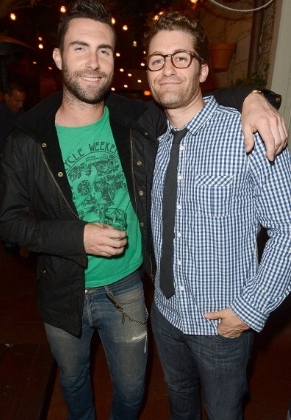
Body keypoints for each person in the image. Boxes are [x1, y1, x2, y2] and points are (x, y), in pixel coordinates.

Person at [0, 1, 288, 419]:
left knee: (133, 392)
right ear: (59, 57)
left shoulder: (136, 120)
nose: (93, 62)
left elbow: (189, 98)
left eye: (105, 50)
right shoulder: (27, 138)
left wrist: (253, 97)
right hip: (63, 289)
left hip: (130, 289)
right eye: (80, 48)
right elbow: (7, 222)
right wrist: (75, 236)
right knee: (74, 379)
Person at [145, 11, 291, 420]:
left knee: (225, 412)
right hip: (165, 312)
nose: (167, 68)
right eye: (157, 59)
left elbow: (288, 228)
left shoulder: (247, 130)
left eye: (181, 57)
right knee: (180, 404)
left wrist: (250, 309)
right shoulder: (148, 136)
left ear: (203, 69)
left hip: (220, 323)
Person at [0, 81, 26, 192]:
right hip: (0, 164)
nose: (21, 105)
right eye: (17, 101)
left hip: (15, 162)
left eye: (22, 101)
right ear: (7, 97)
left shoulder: (21, 113)